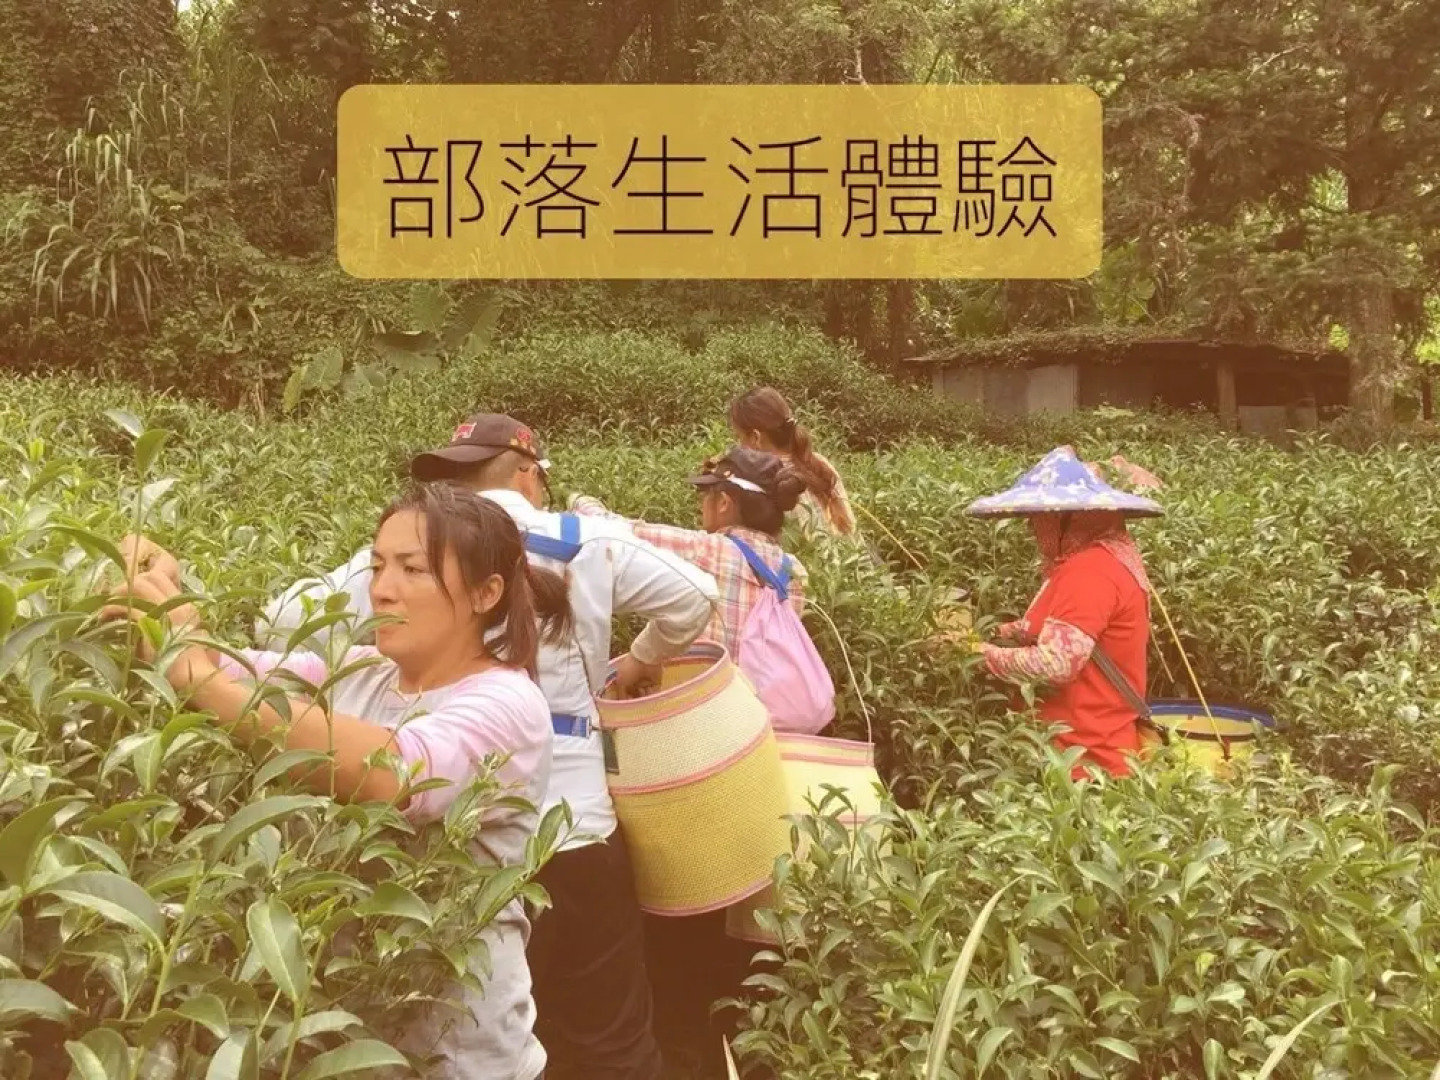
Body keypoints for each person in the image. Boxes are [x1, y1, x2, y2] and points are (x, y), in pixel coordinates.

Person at [258, 413, 720, 1080]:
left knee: (472, 1026)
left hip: (451, 843)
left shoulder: (405, 557)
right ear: (529, 473)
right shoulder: (586, 538)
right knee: (609, 1040)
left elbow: (283, 622)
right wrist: (638, 662)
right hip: (576, 827)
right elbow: (697, 597)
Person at [106, 483, 569, 1080]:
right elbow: (232, 672)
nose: (382, 588)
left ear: (486, 593)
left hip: (456, 1053)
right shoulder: (358, 672)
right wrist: (158, 582)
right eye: (377, 566)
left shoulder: (508, 704)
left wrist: (197, 673)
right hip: (344, 1035)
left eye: (412, 569)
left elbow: (396, 772)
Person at [569, 445, 826, 1070]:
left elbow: (609, 534)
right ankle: (744, 1040)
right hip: (757, 751)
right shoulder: (790, 569)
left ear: (725, 502)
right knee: (749, 906)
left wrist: (574, 500)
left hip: (695, 750)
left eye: (706, 496)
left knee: (682, 909)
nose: (701, 507)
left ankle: (689, 1047)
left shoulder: (710, 553)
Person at [965, 446, 1164, 779]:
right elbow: (1058, 627)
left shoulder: (1090, 571)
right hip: (1079, 752)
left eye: (1041, 519)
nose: (1034, 530)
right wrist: (999, 633)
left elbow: (1056, 663)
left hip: (1083, 763)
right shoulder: (1096, 560)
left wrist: (977, 653)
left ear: (1067, 519)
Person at [729, 387, 856, 539]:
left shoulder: (761, 480)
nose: (739, 445)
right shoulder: (820, 462)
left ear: (756, 438)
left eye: (739, 437)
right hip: (849, 554)